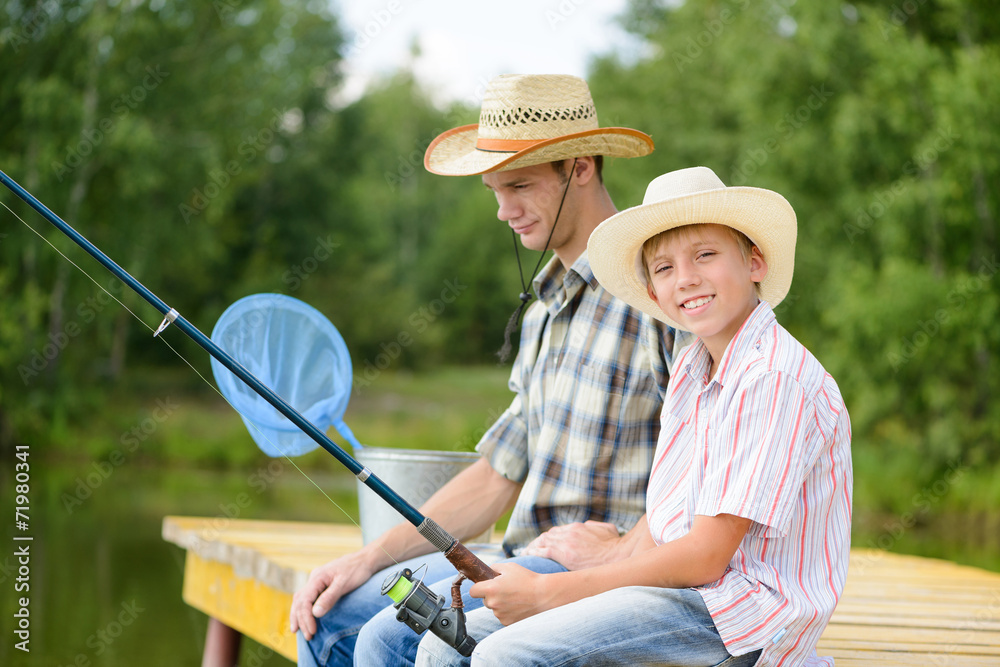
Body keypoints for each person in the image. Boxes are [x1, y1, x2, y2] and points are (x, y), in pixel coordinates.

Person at [290, 74, 689, 666]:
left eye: (520, 185)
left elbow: (712, 458)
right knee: (326, 618)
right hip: (516, 554)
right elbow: (498, 474)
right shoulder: (544, 311)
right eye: (494, 190)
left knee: (390, 638)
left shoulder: (659, 289)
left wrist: (623, 550)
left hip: (602, 577)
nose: (504, 210)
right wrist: (369, 558)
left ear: (580, 166)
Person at [416, 166, 853, 666]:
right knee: (444, 643)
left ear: (754, 261)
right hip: (684, 594)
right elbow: (676, 526)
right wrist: (594, 566)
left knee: (507, 656)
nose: (686, 278)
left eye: (705, 255)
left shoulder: (771, 376)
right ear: (652, 293)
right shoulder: (694, 366)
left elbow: (706, 556)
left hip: (741, 620)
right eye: (664, 268)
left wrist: (549, 593)